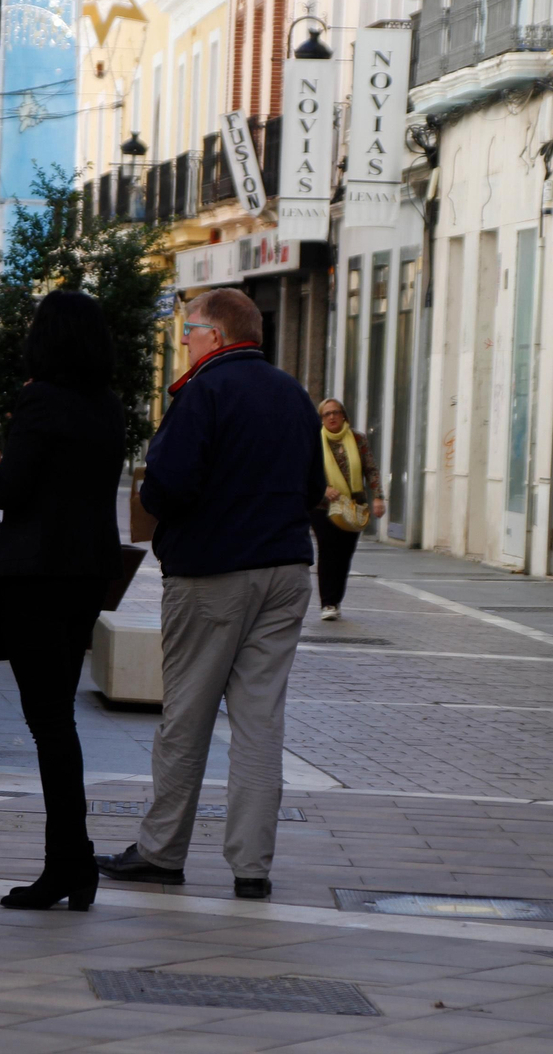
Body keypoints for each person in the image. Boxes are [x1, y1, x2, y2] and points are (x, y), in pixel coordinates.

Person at [96, 289, 324, 901]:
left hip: (212, 575)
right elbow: (314, 489)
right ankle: (253, 868)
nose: (185, 339)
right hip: (285, 572)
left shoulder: (204, 392)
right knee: (260, 723)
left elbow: (165, 485)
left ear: (217, 336)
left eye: (190, 329)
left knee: (187, 718)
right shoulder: (294, 395)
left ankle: (161, 851)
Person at [0, 290, 126, 912]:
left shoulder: (39, 400)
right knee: (58, 721)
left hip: (37, 581)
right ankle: (72, 864)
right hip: (87, 577)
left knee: (49, 723)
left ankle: (69, 866)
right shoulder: (106, 406)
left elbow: (12, 489)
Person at [311, 398, 384, 621]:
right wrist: (323, 489)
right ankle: (328, 603)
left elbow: (370, 469)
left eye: (335, 412)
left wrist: (378, 497)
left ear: (344, 415)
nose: (331, 417)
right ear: (321, 418)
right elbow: (306, 471)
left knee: (344, 554)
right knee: (327, 550)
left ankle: (336, 599)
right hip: (323, 506)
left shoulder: (357, 438)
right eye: (326, 414)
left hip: (354, 505)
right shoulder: (315, 440)